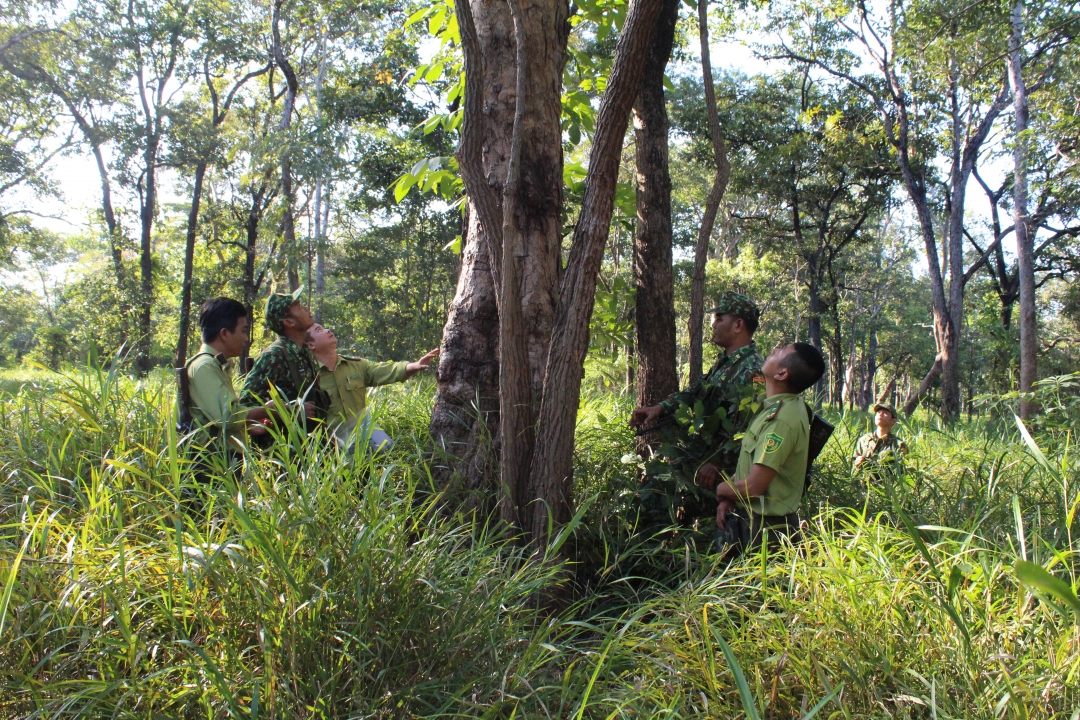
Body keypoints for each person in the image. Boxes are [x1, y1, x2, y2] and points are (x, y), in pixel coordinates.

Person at [628, 291, 764, 530]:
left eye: (720, 318)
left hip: (719, 475)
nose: (714, 324)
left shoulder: (753, 369)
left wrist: (718, 463)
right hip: (700, 464)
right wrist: (659, 408)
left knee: (710, 533)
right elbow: (694, 393)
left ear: (738, 325)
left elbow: (750, 427)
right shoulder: (726, 364)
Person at [711, 341, 826, 558]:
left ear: (782, 373)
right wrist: (731, 498)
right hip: (753, 522)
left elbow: (753, 487)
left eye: (781, 351)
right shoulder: (776, 407)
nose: (773, 350)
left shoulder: (780, 421)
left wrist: (721, 490)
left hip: (766, 532)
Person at [304, 323, 438, 453]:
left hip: (362, 428)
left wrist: (413, 366)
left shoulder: (355, 365)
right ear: (311, 345)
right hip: (330, 440)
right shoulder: (308, 375)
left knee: (384, 452)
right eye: (319, 330)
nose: (327, 330)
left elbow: (383, 370)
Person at [183, 297, 271, 457]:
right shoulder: (204, 366)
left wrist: (246, 424)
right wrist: (270, 411)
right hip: (211, 465)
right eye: (243, 331)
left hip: (223, 461)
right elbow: (228, 417)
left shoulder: (215, 365)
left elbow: (217, 418)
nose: (246, 338)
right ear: (224, 333)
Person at [239, 285, 329, 422]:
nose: (306, 309)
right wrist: (289, 412)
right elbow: (245, 406)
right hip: (284, 441)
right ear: (289, 321)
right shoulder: (274, 356)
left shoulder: (304, 351)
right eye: (299, 307)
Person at [853, 403, 907, 468]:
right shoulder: (864, 440)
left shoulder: (899, 444)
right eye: (878, 412)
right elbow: (853, 462)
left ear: (893, 421)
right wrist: (857, 462)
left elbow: (901, 470)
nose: (880, 414)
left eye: (885, 413)